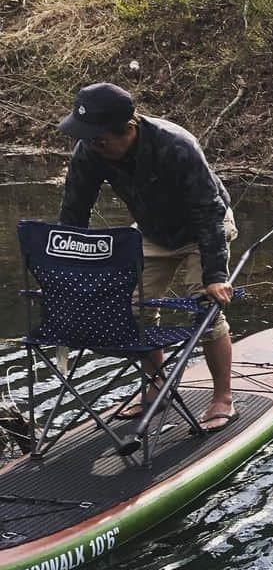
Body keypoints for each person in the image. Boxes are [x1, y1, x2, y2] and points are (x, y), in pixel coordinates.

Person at [55, 82, 237, 431]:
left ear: (128, 128)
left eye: (100, 138)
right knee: (133, 309)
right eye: (88, 137)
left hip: (204, 227)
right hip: (153, 231)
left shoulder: (176, 145)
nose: (92, 144)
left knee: (205, 313)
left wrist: (215, 275)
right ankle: (156, 386)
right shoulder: (89, 151)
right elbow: (74, 213)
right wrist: (68, 268)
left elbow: (208, 210)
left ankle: (222, 397)